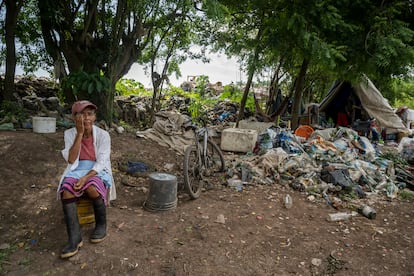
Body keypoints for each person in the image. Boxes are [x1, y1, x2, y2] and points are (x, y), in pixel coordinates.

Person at [57, 100, 116, 259]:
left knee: (92, 187)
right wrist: (80, 134)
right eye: (81, 114)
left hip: (96, 170)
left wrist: (85, 177)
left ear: (95, 117)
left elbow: (102, 161)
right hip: (77, 169)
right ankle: (74, 238)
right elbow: (70, 159)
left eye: (89, 114)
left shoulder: (104, 135)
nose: (85, 118)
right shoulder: (69, 134)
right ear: (73, 117)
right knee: (67, 191)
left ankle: (101, 225)